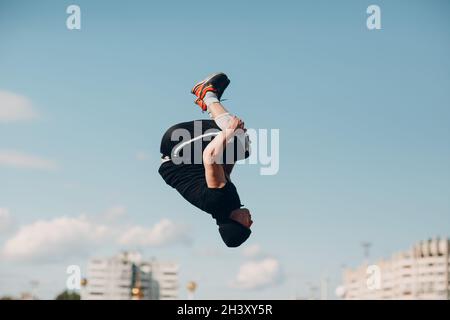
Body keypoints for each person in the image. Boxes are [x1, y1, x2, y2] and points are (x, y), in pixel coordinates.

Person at [158, 72, 253, 247]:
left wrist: (229, 132)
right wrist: (235, 150)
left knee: (237, 138)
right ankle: (209, 99)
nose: (251, 222)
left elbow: (209, 157)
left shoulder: (219, 202)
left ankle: (207, 95)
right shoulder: (228, 205)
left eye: (248, 226)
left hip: (177, 149)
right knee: (242, 147)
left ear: (236, 222)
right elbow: (224, 171)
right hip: (184, 155)